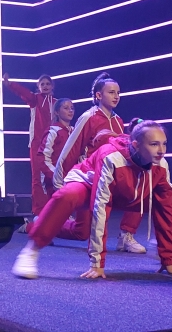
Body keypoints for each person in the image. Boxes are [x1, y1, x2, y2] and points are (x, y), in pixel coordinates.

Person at [12, 121, 172, 280]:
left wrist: (169, 259)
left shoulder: (161, 164)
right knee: (66, 196)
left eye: (164, 144)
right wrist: (97, 263)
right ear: (136, 145)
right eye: (154, 144)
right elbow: (100, 206)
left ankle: (163, 248)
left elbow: (167, 205)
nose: (161, 150)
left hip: (127, 192)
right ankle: (31, 250)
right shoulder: (111, 157)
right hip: (90, 186)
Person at [52, 72, 145, 254]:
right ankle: (43, 225)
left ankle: (126, 235)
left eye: (118, 92)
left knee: (141, 186)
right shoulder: (89, 117)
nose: (116, 96)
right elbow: (72, 149)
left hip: (113, 177)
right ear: (99, 95)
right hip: (91, 180)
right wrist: (59, 182)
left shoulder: (118, 121)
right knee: (82, 232)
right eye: (111, 92)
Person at [3, 73, 56, 215]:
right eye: (42, 84)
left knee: (53, 176)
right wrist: (10, 84)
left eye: (48, 84)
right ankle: (39, 210)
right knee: (37, 177)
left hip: (54, 144)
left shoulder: (57, 103)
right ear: (38, 87)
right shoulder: (35, 100)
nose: (45, 86)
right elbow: (23, 92)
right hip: (37, 143)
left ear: (52, 86)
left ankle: (54, 209)